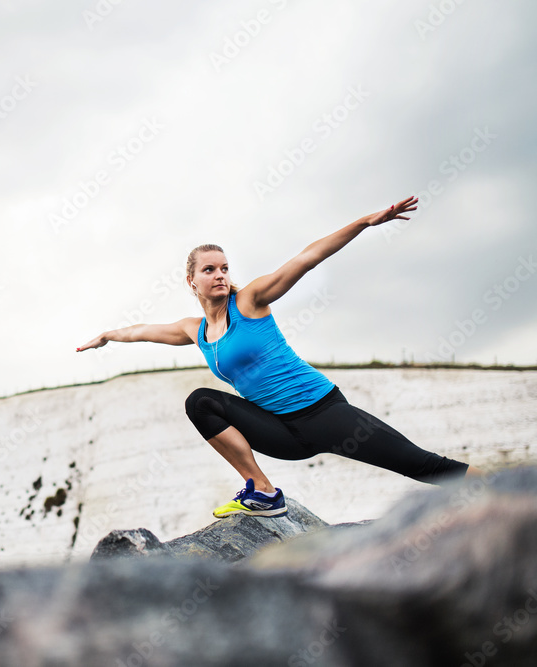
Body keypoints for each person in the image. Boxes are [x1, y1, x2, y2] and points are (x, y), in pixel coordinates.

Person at [76, 196, 481, 518]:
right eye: (210, 270)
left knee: (425, 466)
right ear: (191, 280)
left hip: (326, 414)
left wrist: (363, 223)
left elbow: (306, 259)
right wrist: (109, 336)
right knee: (200, 402)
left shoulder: (249, 301)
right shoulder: (193, 330)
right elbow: (143, 332)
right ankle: (264, 492)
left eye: (225, 268)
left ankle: (514, 494)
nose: (220, 275)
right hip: (281, 433)